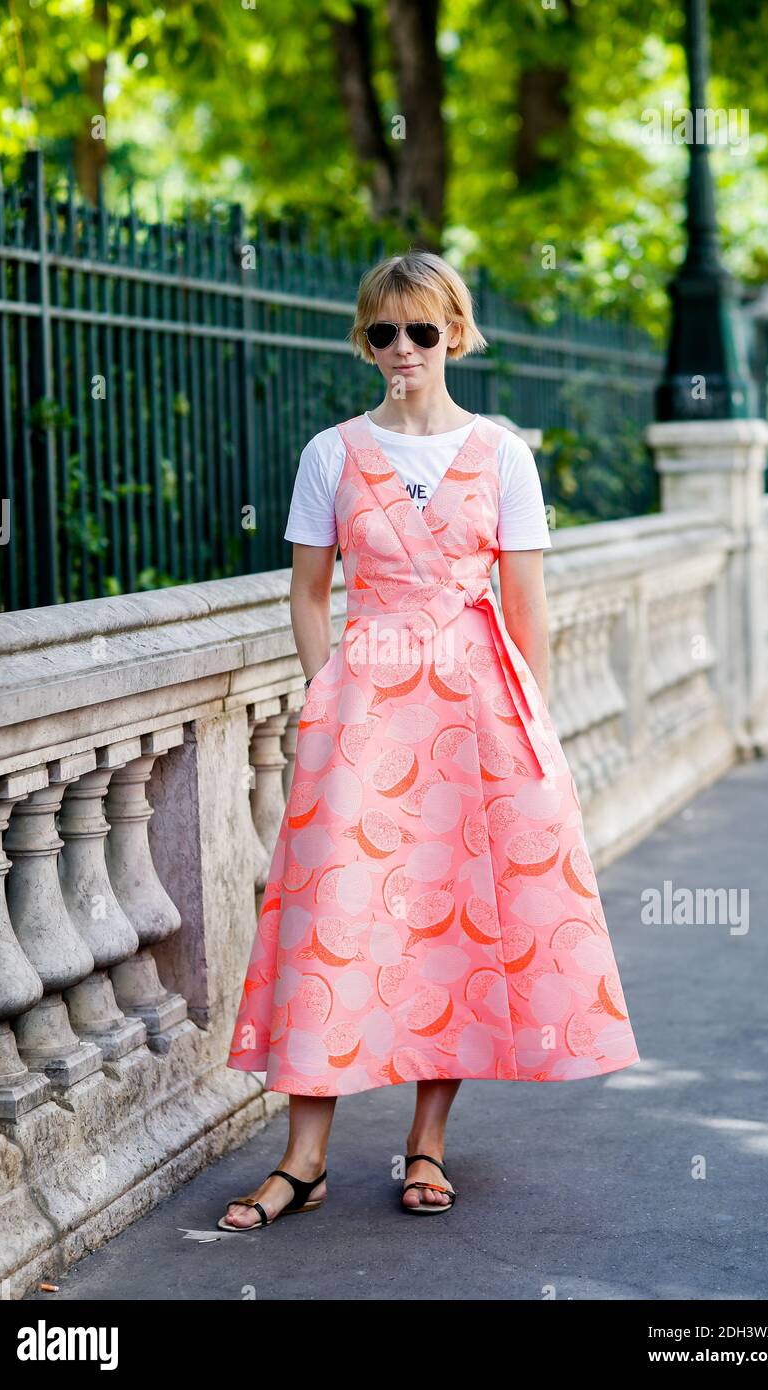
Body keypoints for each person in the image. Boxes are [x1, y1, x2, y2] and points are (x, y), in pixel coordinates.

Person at [219, 250, 640, 1229]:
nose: (400, 349)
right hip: (362, 708)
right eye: (381, 332)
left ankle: (426, 1145)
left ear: (453, 332)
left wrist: (529, 726)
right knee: (335, 914)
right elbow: (308, 590)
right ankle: (304, 1158)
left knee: (450, 917)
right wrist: (324, 690)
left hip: (474, 710)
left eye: (419, 330)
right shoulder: (331, 452)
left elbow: (527, 603)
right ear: (363, 343)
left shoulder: (502, 455)